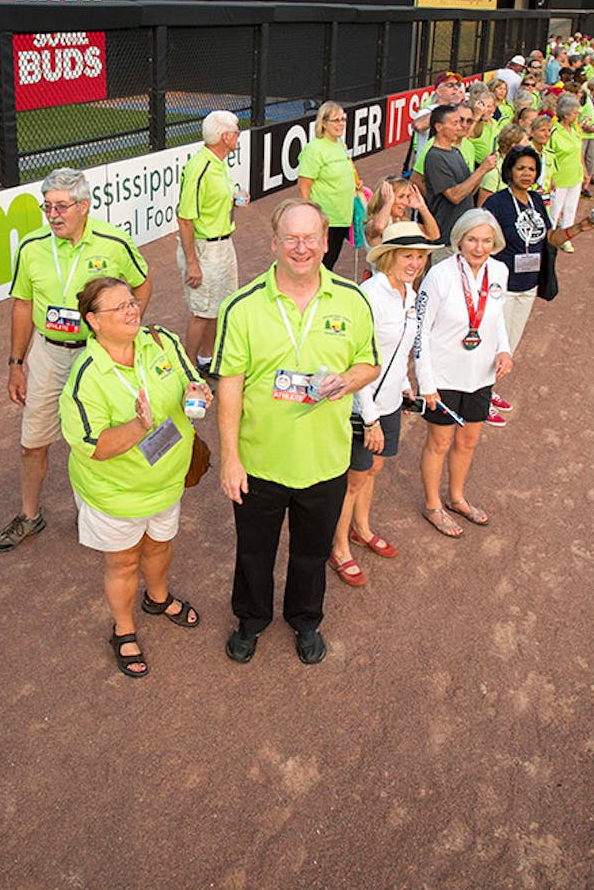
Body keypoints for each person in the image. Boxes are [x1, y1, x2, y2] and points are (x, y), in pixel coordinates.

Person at [214, 199, 380, 666]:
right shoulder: (241, 307)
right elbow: (229, 386)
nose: (301, 247)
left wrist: (348, 380)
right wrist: (230, 458)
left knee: (311, 555)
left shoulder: (352, 299)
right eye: (291, 237)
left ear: (326, 242)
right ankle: (250, 621)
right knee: (254, 553)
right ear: (274, 243)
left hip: (325, 461)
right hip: (260, 462)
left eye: (311, 238)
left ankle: (306, 621)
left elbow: (370, 363)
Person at [59, 276, 208, 678]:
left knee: (160, 546)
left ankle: (157, 599)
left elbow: (187, 377)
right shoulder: (85, 378)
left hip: (167, 480)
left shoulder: (161, 341)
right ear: (93, 321)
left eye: (131, 302)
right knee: (124, 562)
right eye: (119, 307)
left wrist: (197, 389)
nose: (132, 310)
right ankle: (123, 629)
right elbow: (95, 446)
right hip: (116, 494)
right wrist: (140, 427)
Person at [0, 167, 151, 551]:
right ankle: (30, 516)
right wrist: (16, 364)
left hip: (97, 355)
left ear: (84, 205)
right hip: (48, 354)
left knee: (104, 436)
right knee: (33, 442)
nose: (53, 215)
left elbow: (143, 284)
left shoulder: (114, 242)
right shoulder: (32, 247)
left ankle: (103, 512)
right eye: (47, 207)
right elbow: (22, 305)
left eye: (62, 206)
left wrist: (124, 328)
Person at [327, 222, 444, 586]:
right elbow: (355, 361)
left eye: (421, 256)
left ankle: (361, 528)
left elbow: (399, 349)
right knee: (354, 478)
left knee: (373, 470)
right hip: (365, 408)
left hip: (392, 399)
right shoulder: (369, 295)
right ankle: (339, 547)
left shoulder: (409, 293)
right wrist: (372, 418)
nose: (415, 263)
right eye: (407, 255)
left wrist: (407, 384)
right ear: (389, 256)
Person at [482, 146, 594, 423]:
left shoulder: (536, 200)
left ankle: (489, 389)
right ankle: (480, 397)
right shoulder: (496, 203)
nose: (526, 174)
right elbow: (481, 239)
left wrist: (580, 227)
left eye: (531, 169)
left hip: (528, 284)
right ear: (509, 169)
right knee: (493, 342)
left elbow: (549, 238)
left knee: (509, 342)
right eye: (521, 168)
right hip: (501, 286)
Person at [414, 210, 511, 537]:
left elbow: (497, 317)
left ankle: (456, 498)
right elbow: (421, 332)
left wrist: (504, 348)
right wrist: (426, 383)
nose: (479, 247)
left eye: (486, 240)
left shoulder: (499, 270)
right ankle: (432, 505)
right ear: (460, 239)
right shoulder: (439, 275)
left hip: (480, 375)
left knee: (468, 440)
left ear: (494, 242)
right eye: (472, 239)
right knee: (439, 441)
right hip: (442, 377)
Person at [176, 110, 242, 372]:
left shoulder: (218, 162)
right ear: (225, 136)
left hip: (224, 244)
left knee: (221, 306)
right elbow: (185, 219)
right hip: (205, 249)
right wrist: (193, 263)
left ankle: (207, 359)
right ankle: (189, 367)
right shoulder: (199, 167)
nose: (238, 135)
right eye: (236, 131)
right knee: (202, 311)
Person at [423, 105, 497, 253]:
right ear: (439, 127)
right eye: (454, 123)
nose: (460, 127)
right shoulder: (435, 157)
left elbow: (469, 190)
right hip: (447, 239)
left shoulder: (456, 152)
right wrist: (481, 169)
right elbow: (454, 196)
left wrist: (483, 171)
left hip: (463, 236)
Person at [298, 100, 362, 271]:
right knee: (321, 263)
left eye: (343, 119)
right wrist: (309, 215)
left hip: (342, 216)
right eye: (336, 120)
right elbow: (304, 184)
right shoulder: (314, 149)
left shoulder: (340, 144)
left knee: (331, 259)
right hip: (325, 218)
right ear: (324, 123)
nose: (341, 124)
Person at [404, 71, 466, 175]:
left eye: (458, 85)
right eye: (450, 85)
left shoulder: (460, 109)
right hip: (429, 168)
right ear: (438, 91)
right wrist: (450, 105)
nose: (455, 88)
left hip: (453, 163)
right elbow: (418, 125)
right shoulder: (428, 110)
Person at [547, 95, 585, 253]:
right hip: (559, 178)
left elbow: (579, 151)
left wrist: (585, 171)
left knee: (570, 209)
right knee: (554, 211)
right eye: (574, 113)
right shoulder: (554, 132)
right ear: (565, 114)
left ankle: (566, 239)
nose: (577, 115)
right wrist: (550, 178)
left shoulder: (576, 128)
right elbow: (549, 156)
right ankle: (549, 240)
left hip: (576, 175)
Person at [363, 174, 439, 249]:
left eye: (408, 196)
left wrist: (422, 207)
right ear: (386, 196)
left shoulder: (403, 222)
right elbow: (379, 227)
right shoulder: (372, 223)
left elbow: (433, 235)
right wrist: (388, 203)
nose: (406, 202)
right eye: (401, 196)